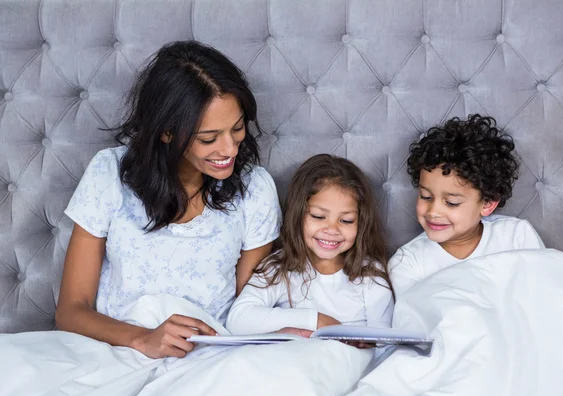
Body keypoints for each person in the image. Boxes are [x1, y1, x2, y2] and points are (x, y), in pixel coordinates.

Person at [55, 40, 281, 359]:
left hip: (211, 358)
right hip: (117, 351)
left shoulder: (254, 189)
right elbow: (70, 311)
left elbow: (249, 313)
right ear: (166, 132)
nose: (230, 149)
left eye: (238, 128)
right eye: (209, 138)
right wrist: (144, 339)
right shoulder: (108, 174)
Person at [226, 154, 395, 339]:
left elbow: (384, 342)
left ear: (360, 223)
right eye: (318, 216)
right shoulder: (279, 268)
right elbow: (238, 320)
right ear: (298, 215)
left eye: (346, 220)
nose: (332, 229)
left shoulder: (370, 274)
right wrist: (315, 320)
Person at [390, 114, 545, 296]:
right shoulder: (407, 263)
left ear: (487, 204)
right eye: (426, 197)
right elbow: (413, 319)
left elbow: (542, 295)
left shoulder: (516, 237)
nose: (434, 212)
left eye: (451, 202)